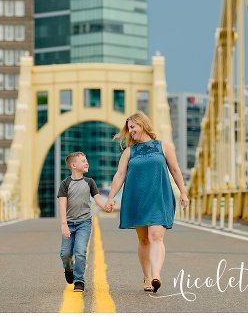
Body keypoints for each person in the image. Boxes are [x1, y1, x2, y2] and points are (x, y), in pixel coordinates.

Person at [106, 111, 189, 293]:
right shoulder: (129, 151)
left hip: (159, 197)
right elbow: (119, 175)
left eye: (133, 127)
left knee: (156, 237)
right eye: (129, 129)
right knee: (143, 239)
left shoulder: (164, 146)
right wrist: (111, 197)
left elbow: (175, 170)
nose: (131, 131)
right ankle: (147, 276)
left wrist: (183, 193)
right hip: (136, 199)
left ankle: (156, 275)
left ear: (142, 125)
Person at [58, 152, 112, 293]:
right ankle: (68, 268)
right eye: (83, 161)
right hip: (69, 223)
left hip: (84, 223)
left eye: (86, 160)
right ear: (74, 165)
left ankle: (79, 281)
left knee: (80, 251)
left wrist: (105, 206)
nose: (87, 162)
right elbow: (62, 204)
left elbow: (97, 198)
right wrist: (64, 224)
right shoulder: (65, 184)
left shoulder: (89, 182)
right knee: (65, 254)